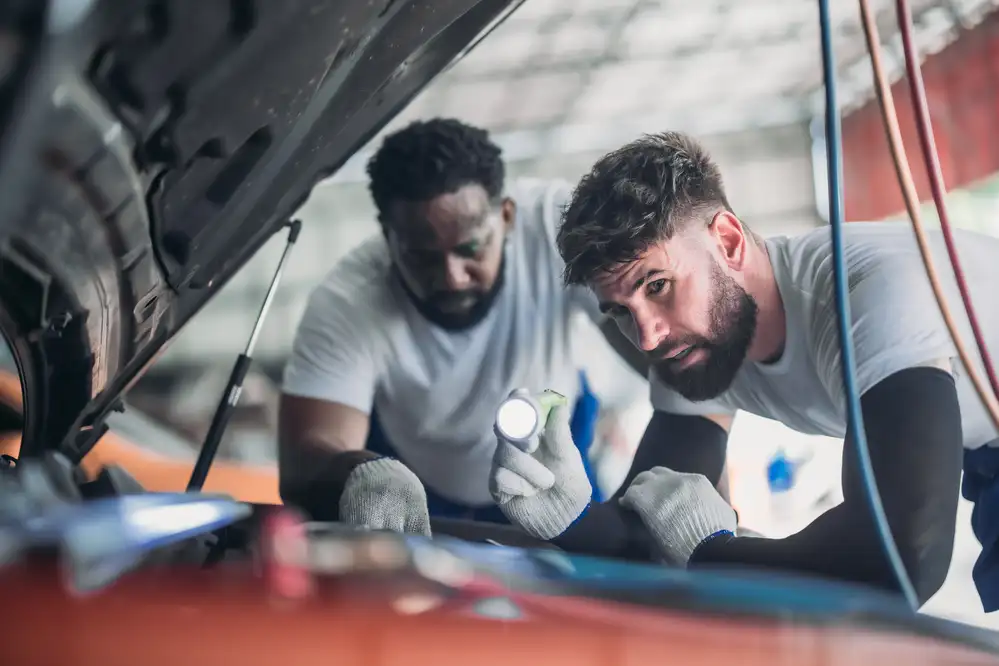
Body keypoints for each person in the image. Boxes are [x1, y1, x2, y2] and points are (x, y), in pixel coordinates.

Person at [488, 130, 999, 610]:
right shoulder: (695, 345)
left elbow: (907, 557)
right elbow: (654, 524)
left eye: (658, 285)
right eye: (620, 311)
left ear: (728, 241)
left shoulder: (868, 296)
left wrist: (713, 552)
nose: (647, 337)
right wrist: (572, 516)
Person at [276, 118, 634, 534]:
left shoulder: (558, 230)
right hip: (414, 482)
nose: (452, 277)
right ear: (388, 236)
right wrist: (359, 473)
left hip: (554, 462)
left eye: (471, 248)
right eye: (423, 257)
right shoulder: (348, 301)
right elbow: (305, 460)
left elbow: (664, 351)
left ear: (507, 216)